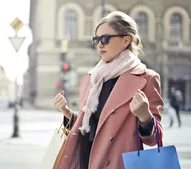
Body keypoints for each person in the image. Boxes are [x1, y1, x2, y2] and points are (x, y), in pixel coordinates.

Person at [52, 11, 163, 169]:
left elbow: (154, 139)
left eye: (105, 38)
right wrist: (68, 114)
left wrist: (145, 116)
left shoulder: (147, 79)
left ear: (126, 40)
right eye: (96, 39)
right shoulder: (92, 79)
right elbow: (92, 128)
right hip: (87, 162)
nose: (99, 44)